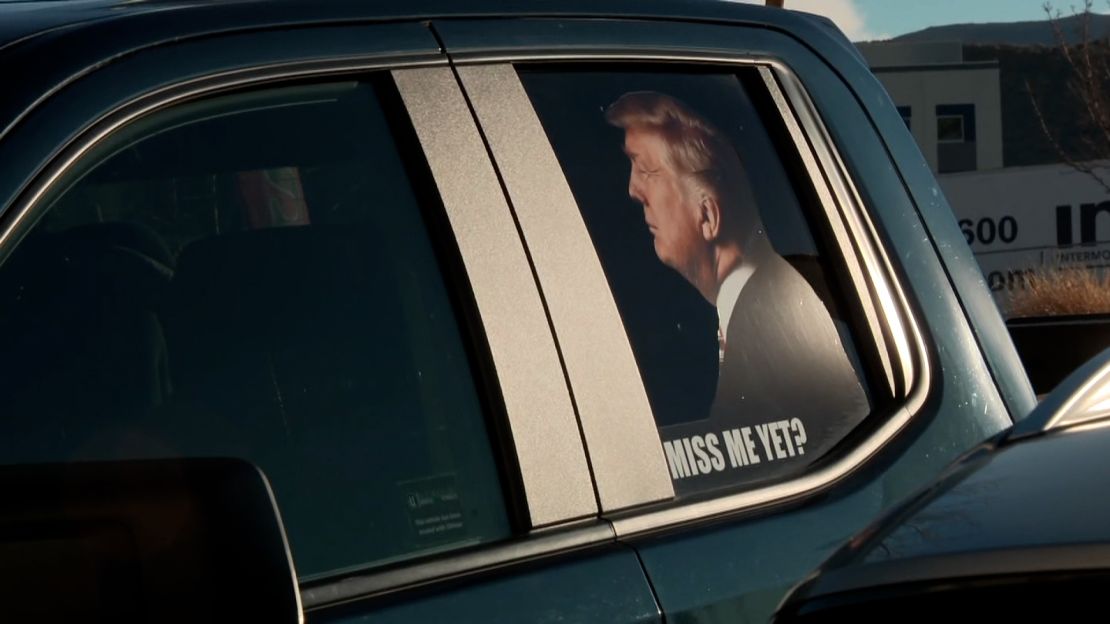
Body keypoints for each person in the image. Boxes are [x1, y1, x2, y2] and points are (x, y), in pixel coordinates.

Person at [606, 91, 867, 471]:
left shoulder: (777, 321)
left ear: (708, 215)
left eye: (645, 170)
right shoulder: (751, 308)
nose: (633, 190)